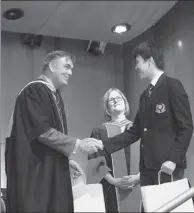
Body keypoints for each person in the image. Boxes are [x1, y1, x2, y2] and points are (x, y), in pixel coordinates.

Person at [5, 50, 103, 212]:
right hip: (35, 173)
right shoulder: (35, 91)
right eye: (66, 66)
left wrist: (65, 159)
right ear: (51, 65)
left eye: (71, 68)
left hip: (46, 169)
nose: (70, 72)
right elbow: (41, 131)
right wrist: (78, 144)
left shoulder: (53, 95)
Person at [100, 41, 193, 210]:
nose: (136, 67)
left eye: (138, 62)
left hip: (167, 168)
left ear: (149, 61)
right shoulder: (144, 96)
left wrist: (173, 159)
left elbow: (186, 126)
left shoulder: (172, 85)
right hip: (147, 170)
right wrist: (103, 144)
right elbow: (135, 131)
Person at [89, 88, 140, 212]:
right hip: (111, 188)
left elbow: (150, 156)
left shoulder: (139, 128)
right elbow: (96, 161)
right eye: (111, 100)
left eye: (119, 98)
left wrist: (138, 177)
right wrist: (113, 181)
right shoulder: (99, 132)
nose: (116, 101)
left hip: (140, 184)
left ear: (125, 102)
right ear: (107, 108)